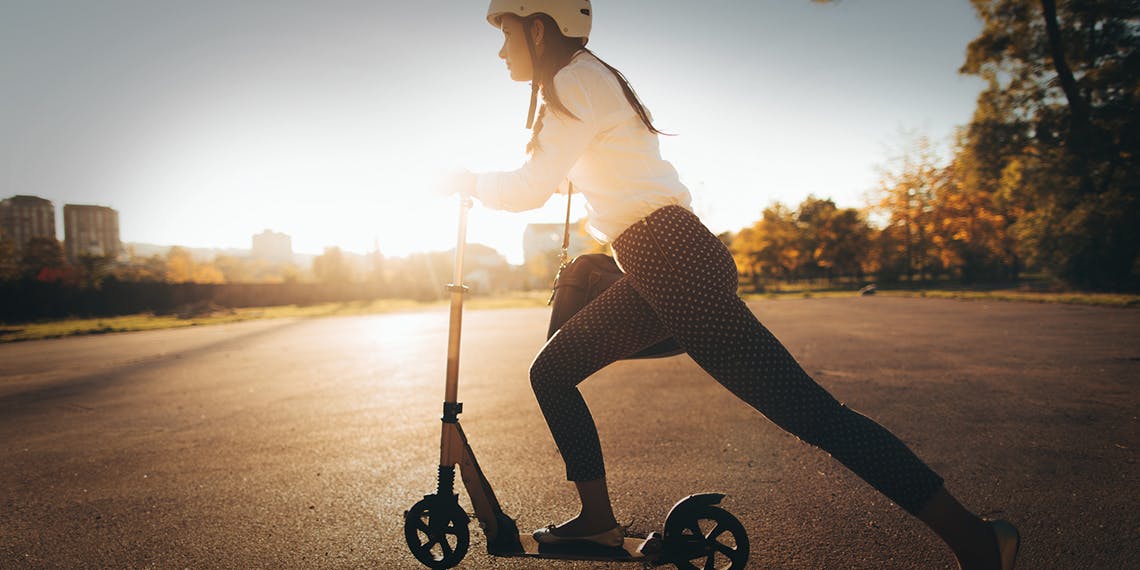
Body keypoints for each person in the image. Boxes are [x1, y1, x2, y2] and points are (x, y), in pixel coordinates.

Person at [444, 2, 1020, 568]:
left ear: (539, 31)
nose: (500, 49)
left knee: (812, 413)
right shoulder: (586, 80)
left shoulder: (571, 83)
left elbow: (529, 187)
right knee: (553, 369)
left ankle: (974, 538)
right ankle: (596, 522)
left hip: (674, 263)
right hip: (660, 262)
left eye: (507, 33)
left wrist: (465, 181)